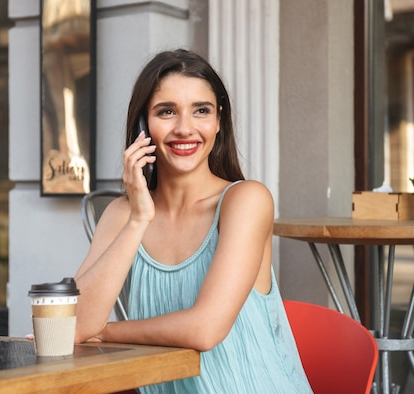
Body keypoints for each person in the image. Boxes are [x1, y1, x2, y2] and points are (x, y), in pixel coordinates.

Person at [74, 49, 312, 393]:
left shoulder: (246, 200)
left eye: (201, 111)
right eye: (166, 112)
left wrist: (106, 333)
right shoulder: (123, 214)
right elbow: (76, 324)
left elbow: (206, 328)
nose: (185, 129)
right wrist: (140, 218)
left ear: (218, 121)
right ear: (143, 126)